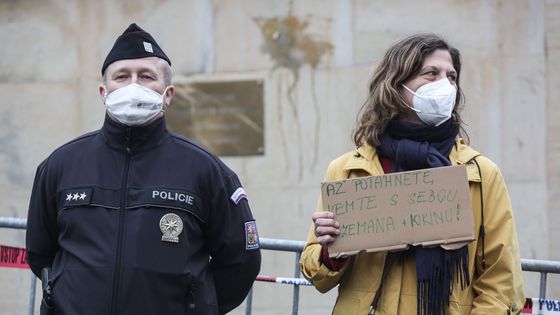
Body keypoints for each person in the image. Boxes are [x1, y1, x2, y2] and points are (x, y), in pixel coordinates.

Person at [26, 23, 261, 315]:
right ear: (103, 92)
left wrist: (196, 305)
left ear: (168, 94)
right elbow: (40, 253)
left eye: (146, 76)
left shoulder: (206, 170)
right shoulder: (60, 165)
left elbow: (240, 261)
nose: (133, 85)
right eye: (122, 76)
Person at [300, 34, 525, 315]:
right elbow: (316, 275)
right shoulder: (348, 169)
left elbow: (501, 280)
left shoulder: (480, 174)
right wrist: (330, 251)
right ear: (396, 84)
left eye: (452, 77)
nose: (445, 85)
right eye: (431, 74)